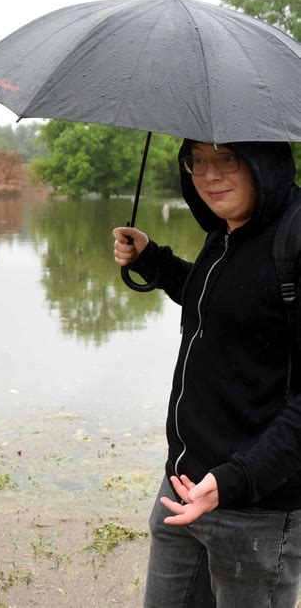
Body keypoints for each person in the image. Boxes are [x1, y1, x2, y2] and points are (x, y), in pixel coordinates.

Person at [113, 139, 301, 607]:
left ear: (266, 160)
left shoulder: (294, 238)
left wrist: (235, 480)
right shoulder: (226, 231)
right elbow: (228, 305)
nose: (209, 176)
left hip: (255, 511)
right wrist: (153, 260)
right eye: (197, 161)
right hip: (182, 487)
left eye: (226, 159)